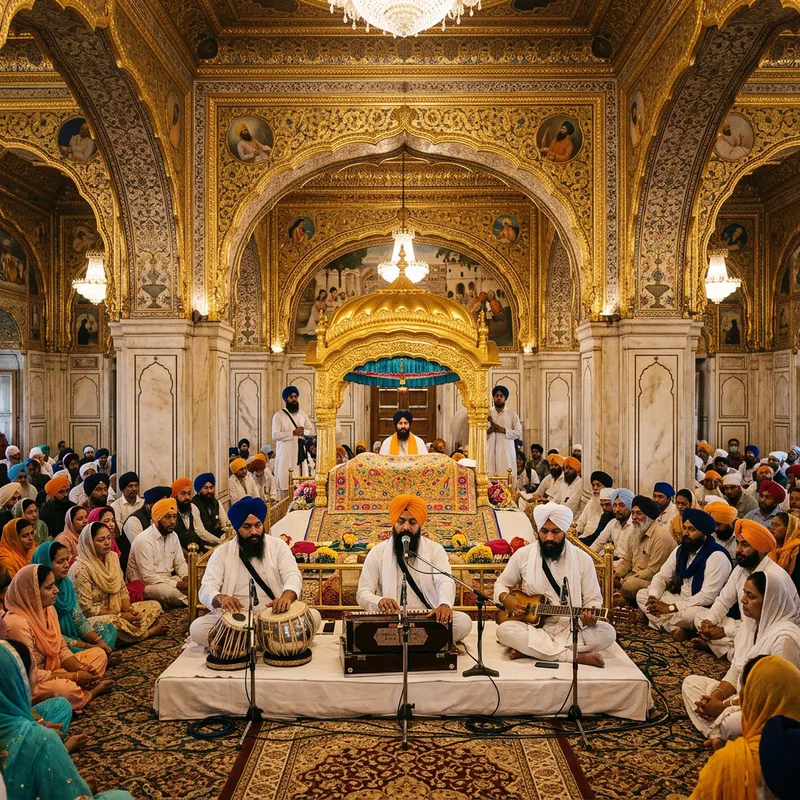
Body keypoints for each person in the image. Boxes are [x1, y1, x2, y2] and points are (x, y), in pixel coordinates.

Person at [0, 639, 133, 800]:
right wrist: (82, 789)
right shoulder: (39, 739)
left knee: (61, 704)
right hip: (44, 731)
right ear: (18, 681)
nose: (35, 675)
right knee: (122, 797)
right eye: (32, 670)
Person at [682, 571, 800, 744]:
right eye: (744, 593)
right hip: (742, 696)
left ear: (769, 601)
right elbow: (737, 669)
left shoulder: (785, 638)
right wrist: (715, 698)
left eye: (751, 596)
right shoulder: (750, 623)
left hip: (770, 709)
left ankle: (719, 732)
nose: (743, 599)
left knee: (732, 723)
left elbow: (776, 699)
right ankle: (717, 736)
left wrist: (723, 707)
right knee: (691, 684)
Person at [190, 496, 321, 649]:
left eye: (258, 525)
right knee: (197, 628)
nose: (254, 532)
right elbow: (207, 587)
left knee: (315, 617)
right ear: (237, 528)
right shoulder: (222, 553)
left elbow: (292, 574)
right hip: (235, 620)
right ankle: (269, 643)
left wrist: (286, 597)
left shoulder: (278, 546)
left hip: (275, 616)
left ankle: (242, 645)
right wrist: (221, 598)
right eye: (247, 527)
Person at [494, 501, 615, 666]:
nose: (549, 537)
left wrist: (591, 618)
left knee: (608, 633)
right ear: (538, 531)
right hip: (534, 628)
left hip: (571, 627)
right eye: (544, 531)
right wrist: (505, 598)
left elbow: (593, 599)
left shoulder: (582, 559)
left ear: (564, 531)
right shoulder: (523, 555)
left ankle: (534, 650)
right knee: (504, 631)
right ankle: (574, 657)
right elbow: (501, 583)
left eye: (555, 531)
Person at [356, 494, 472, 644]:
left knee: (463, 622)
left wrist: (444, 605)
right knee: (359, 629)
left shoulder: (434, 550)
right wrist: (379, 601)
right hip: (389, 619)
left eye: (412, 522)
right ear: (393, 523)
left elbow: (444, 581)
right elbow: (363, 593)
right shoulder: (378, 552)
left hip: (427, 618)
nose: (406, 527)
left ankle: (398, 645)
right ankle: (430, 645)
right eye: (401, 521)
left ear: (420, 525)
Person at [689, 655, 800, 800]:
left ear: (750, 699)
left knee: (731, 722)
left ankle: (717, 733)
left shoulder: (733, 762)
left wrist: (728, 759)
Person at [4, 564, 112, 710]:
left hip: (55, 670)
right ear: (31, 592)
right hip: (33, 683)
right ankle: (89, 693)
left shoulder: (48, 610)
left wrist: (80, 668)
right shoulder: (17, 624)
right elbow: (31, 675)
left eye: (54, 585)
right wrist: (75, 677)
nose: (56, 590)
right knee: (64, 690)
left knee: (99, 655)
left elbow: (61, 648)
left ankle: (79, 690)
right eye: (49, 588)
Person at [692, 520, 784, 660]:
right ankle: (725, 648)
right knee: (699, 616)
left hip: (767, 634)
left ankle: (725, 651)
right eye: (738, 543)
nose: (738, 550)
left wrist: (724, 632)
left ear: (760, 549)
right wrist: (709, 622)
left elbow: (763, 627)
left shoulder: (773, 578)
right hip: (744, 627)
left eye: (745, 545)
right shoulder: (741, 569)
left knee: (752, 654)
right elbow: (724, 601)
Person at [637, 508, 733, 641]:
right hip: (679, 600)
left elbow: (708, 596)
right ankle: (675, 629)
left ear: (704, 534)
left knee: (689, 615)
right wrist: (654, 597)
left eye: (692, 529)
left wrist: (670, 608)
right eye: (685, 528)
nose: (686, 533)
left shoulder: (717, 556)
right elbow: (661, 577)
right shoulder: (681, 550)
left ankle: (660, 623)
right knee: (642, 594)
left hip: (700, 607)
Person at [69, 522, 164, 643]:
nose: (107, 542)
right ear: (89, 543)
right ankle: (145, 633)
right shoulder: (80, 568)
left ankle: (128, 633)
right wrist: (120, 616)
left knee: (154, 605)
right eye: (101, 540)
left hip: (118, 611)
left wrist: (129, 611)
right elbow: (86, 609)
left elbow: (122, 590)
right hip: (94, 618)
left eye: (109, 538)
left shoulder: (112, 558)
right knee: (114, 622)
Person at [31, 540, 117, 654]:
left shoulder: (66, 584)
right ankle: (96, 656)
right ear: (46, 563)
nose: (67, 565)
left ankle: (98, 654)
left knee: (109, 630)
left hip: (75, 637)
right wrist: (88, 646)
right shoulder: (36, 591)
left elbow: (79, 620)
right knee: (62, 651)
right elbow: (50, 635)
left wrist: (99, 642)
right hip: (56, 641)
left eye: (67, 559)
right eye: (60, 561)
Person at [126, 497, 188, 607]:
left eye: (174, 517)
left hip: (168, 579)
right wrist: (177, 584)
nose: (172, 521)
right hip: (145, 585)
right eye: (167, 517)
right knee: (170, 592)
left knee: (197, 581)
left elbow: (180, 563)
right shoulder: (144, 540)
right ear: (156, 519)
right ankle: (192, 601)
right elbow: (148, 576)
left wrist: (186, 577)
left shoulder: (173, 536)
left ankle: (191, 598)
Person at [615, 495, 676, 604]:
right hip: (635, 576)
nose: (634, 517)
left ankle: (625, 598)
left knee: (630, 585)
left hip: (656, 581)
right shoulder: (635, 532)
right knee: (605, 576)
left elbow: (653, 572)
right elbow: (627, 562)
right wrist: (615, 574)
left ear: (649, 517)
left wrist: (623, 581)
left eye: (639, 513)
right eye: (633, 513)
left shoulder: (661, 537)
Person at [272, 386, 315, 498]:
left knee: (302, 486)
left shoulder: (302, 414)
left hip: (300, 454)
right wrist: (292, 433)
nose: (294, 399)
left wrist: (303, 432)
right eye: (291, 397)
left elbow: (311, 431)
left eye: (295, 396)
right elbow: (275, 435)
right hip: (285, 456)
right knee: (285, 485)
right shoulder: (279, 415)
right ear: (286, 399)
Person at [171, 477, 221, 552]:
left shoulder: (193, 507)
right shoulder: (171, 511)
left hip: (194, 549)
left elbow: (201, 532)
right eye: (183, 493)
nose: (187, 497)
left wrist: (219, 541)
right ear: (175, 496)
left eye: (189, 493)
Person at [486, 385, 522, 478]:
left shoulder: (512, 414)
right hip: (489, 450)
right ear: (493, 397)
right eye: (496, 396)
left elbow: (518, 433)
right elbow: (479, 434)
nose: (499, 398)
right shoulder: (487, 413)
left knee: (506, 475)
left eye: (501, 396)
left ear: (505, 398)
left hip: (506, 452)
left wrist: (503, 430)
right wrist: (489, 431)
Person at [590, 487, 634, 562]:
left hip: (626, 566)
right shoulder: (613, 523)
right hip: (611, 563)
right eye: (614, 505)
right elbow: (597, 544)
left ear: (630, 506)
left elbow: (630, 560)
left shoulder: (635, 526)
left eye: (621, 505)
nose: (617, 509)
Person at [191, 473, 230, 540]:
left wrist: (228, 535)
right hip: (201, 540)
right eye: (206, 488)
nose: (209, 491)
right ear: (199, 490)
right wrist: (218, 541)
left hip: (216, 536)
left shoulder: (216, 503)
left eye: (211, 487)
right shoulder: (193, 505)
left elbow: (225, 524)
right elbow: (201, 532)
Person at [769, 512, 800, 594]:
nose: (772, 528)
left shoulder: (796, 551)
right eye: (772, 524)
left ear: (789, 529)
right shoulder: (771, 548)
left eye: (777, 525)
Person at [575, 471, 612, 536]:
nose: (595, 488)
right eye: (593, 485)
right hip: (584, 537)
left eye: (598, 485)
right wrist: (575, 533)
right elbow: (581, 522)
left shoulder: (611, 505)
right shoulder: (591, 502)